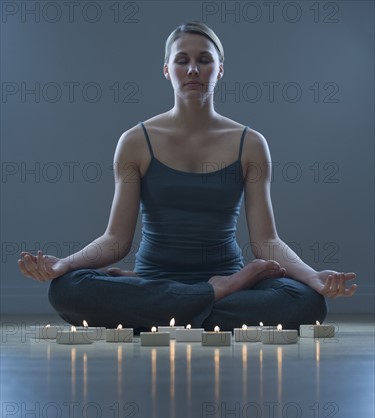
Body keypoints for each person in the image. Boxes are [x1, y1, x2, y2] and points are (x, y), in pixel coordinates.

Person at [17, 21, 357, 332]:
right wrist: (64, 264)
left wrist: (313, 277)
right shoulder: (136, 141)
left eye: (204, 60)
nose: (193, 69)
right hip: (169, 281)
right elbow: (116, 239)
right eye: (182, 60)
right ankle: (213, 294)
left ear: (220, 69)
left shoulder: (250, 144)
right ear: (167, 70)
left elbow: (266, 242)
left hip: (192, 283)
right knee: (66, 289)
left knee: (307, 301)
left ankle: (176, 307)